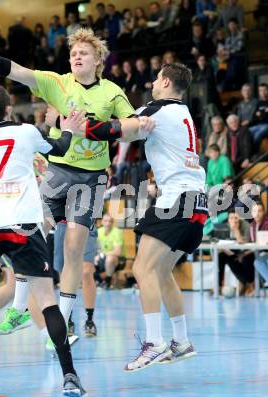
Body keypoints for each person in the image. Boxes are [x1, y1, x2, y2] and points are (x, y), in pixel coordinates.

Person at [0, 28, 153, 346]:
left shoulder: (112, 92)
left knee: (73, 249)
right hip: (57, 171)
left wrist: (94, 129)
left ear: (98, 59)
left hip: (90, 178)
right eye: (73, 53)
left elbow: (132, 128)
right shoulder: (58, 82)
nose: (76, 56)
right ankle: (19, 309)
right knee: (27, 231)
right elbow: (18, 72)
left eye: (83, 53)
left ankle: (60, 324)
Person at [63, 64, 207, 371]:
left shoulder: (158, 109)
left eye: (157, 78)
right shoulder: (183, 113)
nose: (153, 82)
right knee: (162, 271)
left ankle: (154, 342)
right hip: (197, 201)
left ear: (166, 82)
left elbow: (119, 129)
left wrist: (82, 128)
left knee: (142, 268)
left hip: (177, 200)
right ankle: (181, 341)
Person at [0, 84, 86, 397]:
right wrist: (69, 129)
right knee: (47, 299)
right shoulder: (25, 132)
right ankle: (70, 376)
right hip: (21, 222)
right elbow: (60, 148)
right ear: (9, 108)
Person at [54, 221, 99, 339]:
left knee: (86, 272)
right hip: (62, 222)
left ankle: (89, 319)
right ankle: (67, 319)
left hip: (85, 221)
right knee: (64, 273)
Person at [218, 210, 255, 296]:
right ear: (227, 219)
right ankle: (218, 286)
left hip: (246, 252)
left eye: (236, 218)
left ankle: (249, 283)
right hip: (231, 252)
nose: (234, 220)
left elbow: (243, 244)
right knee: (220, 257)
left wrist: (236, 229)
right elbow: (219, 243)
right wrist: (225, 250)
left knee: (246, 259)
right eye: (231, 218)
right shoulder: (224, 226)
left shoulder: (245, 225)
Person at [97, 213, 125, 289]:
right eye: (105, 221)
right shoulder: (98, 232)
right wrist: (97, 255)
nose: (108, 223)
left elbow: (118, 252)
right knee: (90, 258)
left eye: (110, 221)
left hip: (118, 260)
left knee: (110, 258)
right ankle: (97, 280)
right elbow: (95, 248)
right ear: (102, 222)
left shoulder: (117, 232)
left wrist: (103, 254)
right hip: (102, 258)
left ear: (112, 223)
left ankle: (107, 281)